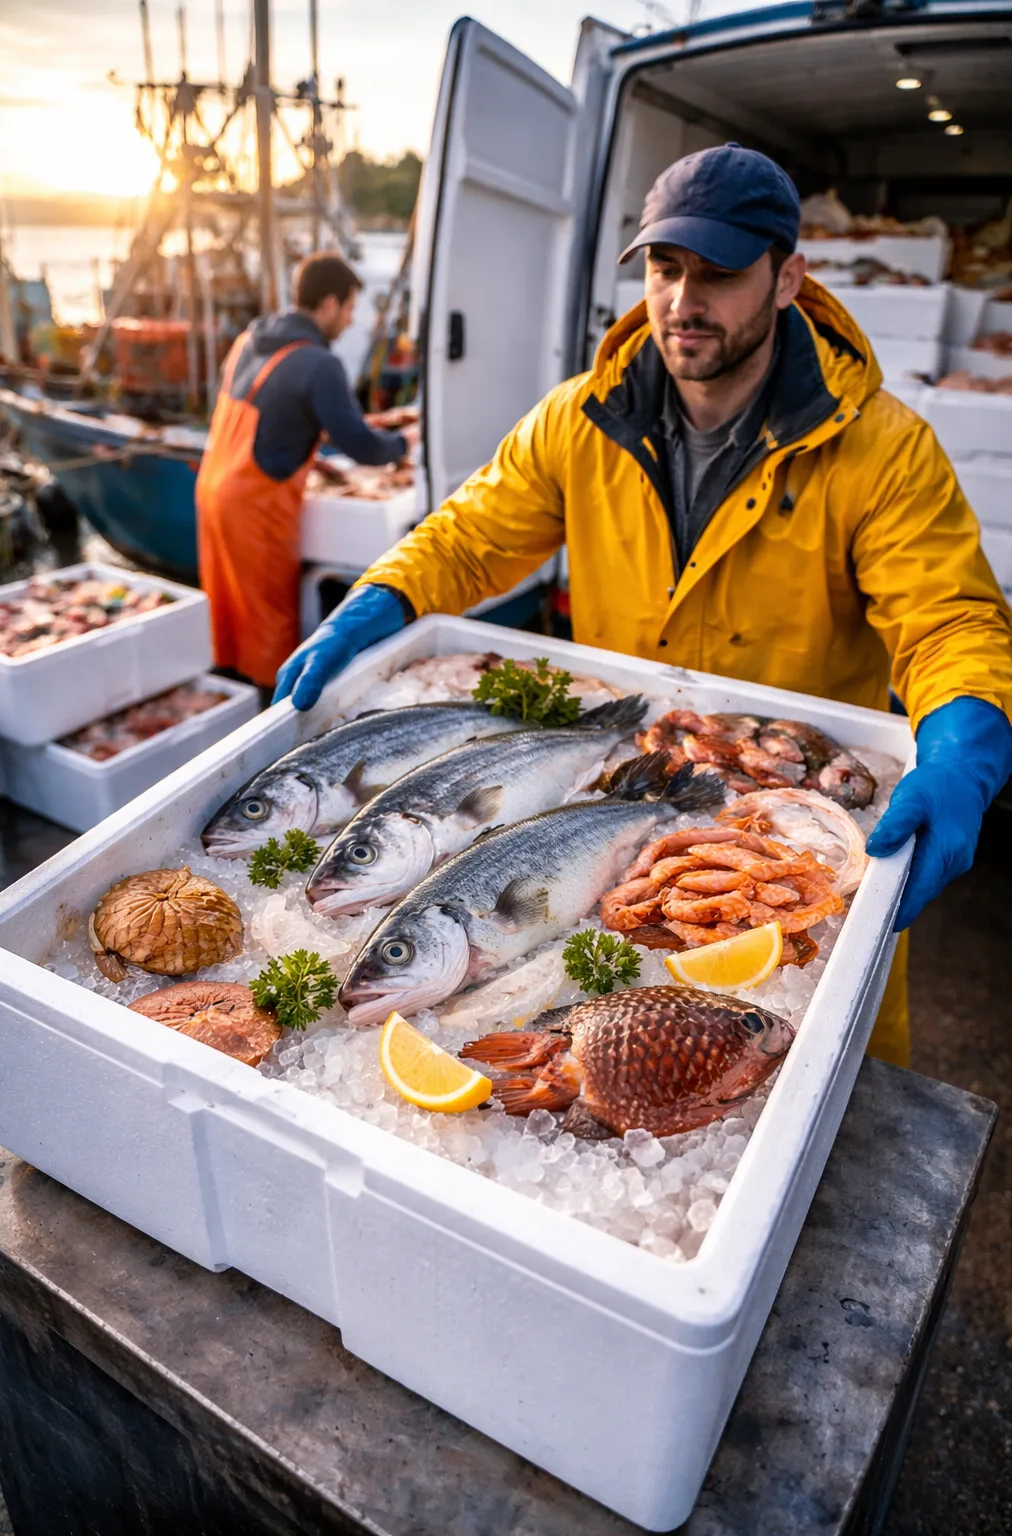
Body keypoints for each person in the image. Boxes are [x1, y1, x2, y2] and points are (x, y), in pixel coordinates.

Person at [272, 145, 1012, 1066]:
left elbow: (948, 619)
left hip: (793, 812)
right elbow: (468, 536)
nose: (681, 299)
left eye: (720, 273)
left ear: (788, 279)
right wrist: (378, 598)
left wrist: (963, 743)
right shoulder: (579, 417)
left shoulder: (884, 450)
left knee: (839, 1084)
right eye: (665, 266)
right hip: (619, 779)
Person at [195, 251, 418, 689]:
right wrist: (405, 442)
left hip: (211, 490)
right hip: (257, 507)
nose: (352, 320)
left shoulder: (250, 340)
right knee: (270, 623)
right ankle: (269, 715)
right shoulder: (320, 364)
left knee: (225, 613)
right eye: (351, 307)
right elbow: (362, 446)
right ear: (330, 304)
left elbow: (275, 415)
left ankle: (228, 692)